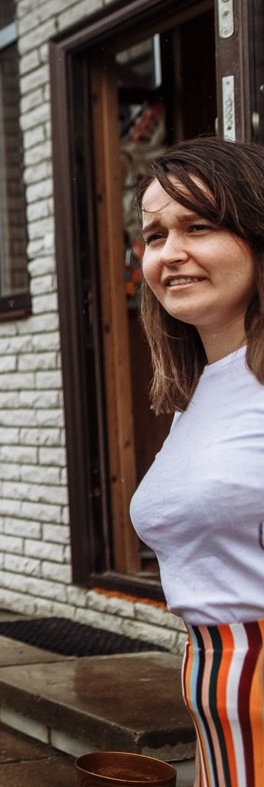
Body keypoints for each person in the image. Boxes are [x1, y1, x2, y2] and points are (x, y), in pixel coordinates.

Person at [128, 136, 264, 787]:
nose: (170, 253)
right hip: (216, 701)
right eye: (155, 236)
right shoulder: (198, 393)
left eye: (198, 226)